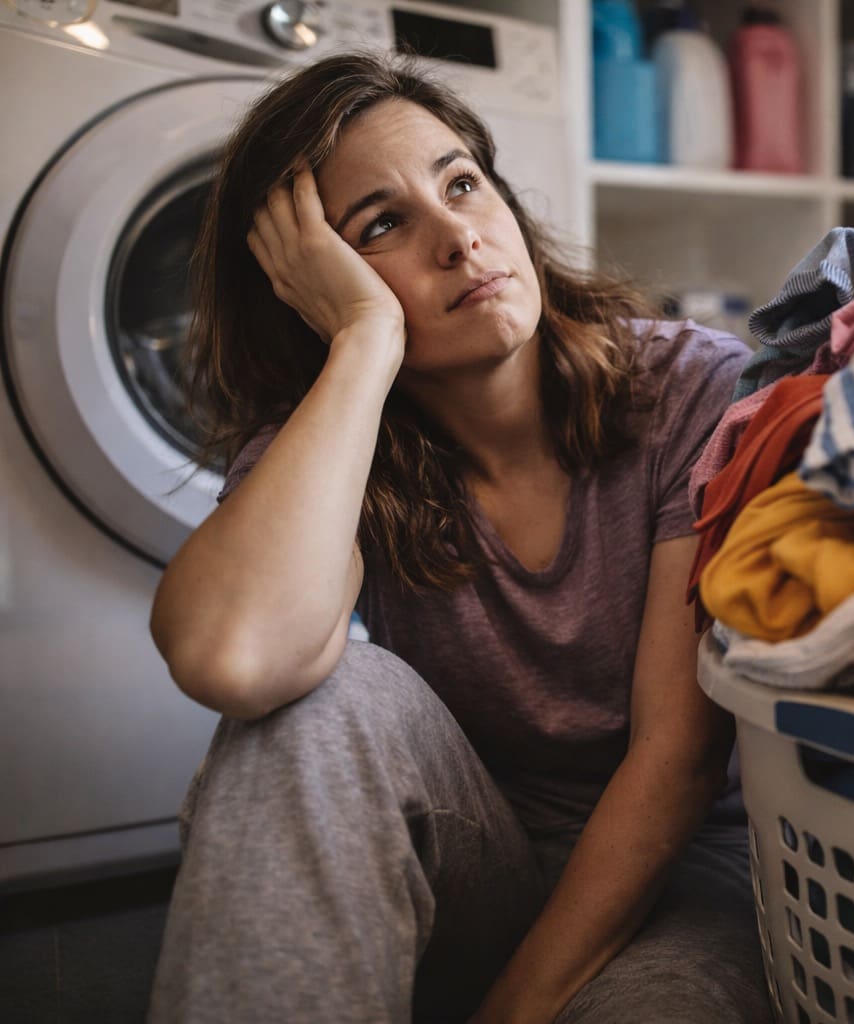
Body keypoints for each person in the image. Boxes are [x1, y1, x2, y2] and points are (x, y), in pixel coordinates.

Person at [146, 51, 770, 1024]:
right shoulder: (332, 440)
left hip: (692, 885)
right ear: (313, 290)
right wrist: (363, 341)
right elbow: (234, 655)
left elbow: (677, 760)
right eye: (383, 224)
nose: (458, 237)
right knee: (315, 706)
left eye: (463, 183)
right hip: (484, 862)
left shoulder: (691, 389)